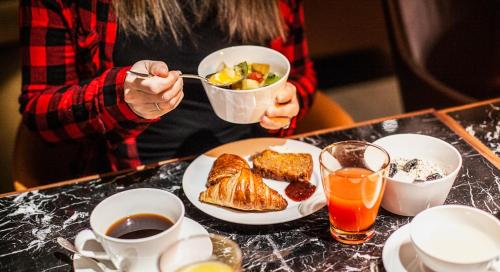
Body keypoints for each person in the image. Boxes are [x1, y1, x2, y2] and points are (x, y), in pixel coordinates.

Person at [19, 0, 317, 173]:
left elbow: (302, 78)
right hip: (139, 176)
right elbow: (39, 113)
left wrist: (284, 105)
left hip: (255, 163)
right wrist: (119, 96)